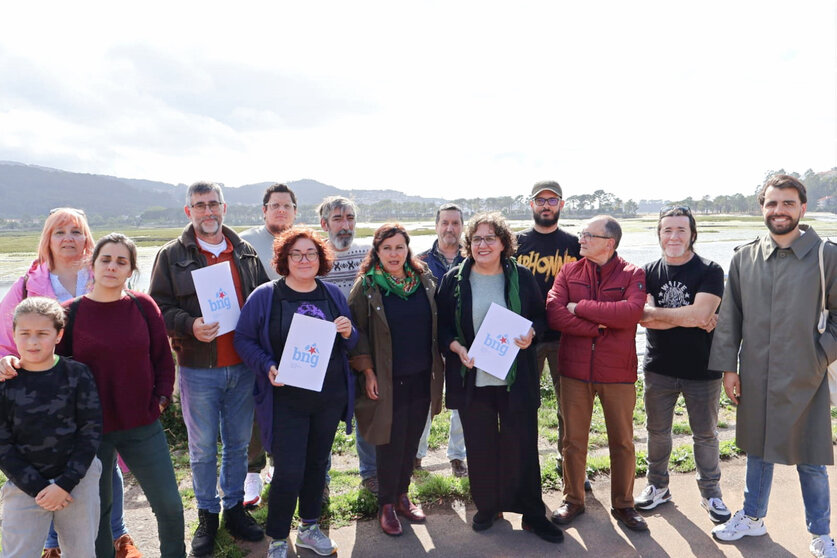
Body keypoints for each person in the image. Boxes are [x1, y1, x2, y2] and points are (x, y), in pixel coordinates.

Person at [708, 175, 837, 558]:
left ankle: (821, 532)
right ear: (762, 208)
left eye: (787, 203)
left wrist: (821, 353)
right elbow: (730, 317)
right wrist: (729, 369)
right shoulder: (744, 256)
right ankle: (752, 516)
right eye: (771, 203)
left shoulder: (826, 255)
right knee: (758, 450)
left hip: (806, 373)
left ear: (802, 208)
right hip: (756, 372)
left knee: (811, 457)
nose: (778, 211)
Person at [0, 208, 140, 558]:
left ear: (87, 239)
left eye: (76, 232)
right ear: (47, 239)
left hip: (96, 385)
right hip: (41, 389)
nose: (68, 238)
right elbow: (7, 337)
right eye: (59, 232)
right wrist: (5, 363)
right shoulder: (26, 285)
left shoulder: (103, 275)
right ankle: (52, 546)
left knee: (101, 461)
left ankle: (117, 535)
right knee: (47, 457)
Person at [149, 181, 268, 555]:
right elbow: (157, 309)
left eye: (213, 204)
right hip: (199, 369)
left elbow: (264, 300)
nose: (208, 211)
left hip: (243, 366)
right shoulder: (171, 255)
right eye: (199, 205)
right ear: (189, 212)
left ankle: (233, 508)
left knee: (236, 445)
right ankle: (207, 514)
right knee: (201, 448)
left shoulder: (245, 252)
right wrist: (190, 325)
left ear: (224, 207)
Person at [437, 212, 563, 544]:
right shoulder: (454, 280)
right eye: (476, 239)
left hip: (515, 379)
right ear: (468, 244)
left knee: (521, 446)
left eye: (490, 238)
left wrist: (531, 333)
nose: (483, 244)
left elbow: (541, 316)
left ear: (504, 243)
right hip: (472, 379)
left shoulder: (520, 276)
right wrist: (455, 346)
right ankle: (488, 507)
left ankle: (533, 514)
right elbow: (443, 327)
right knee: (480, 447)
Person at [234, 227, 358, 558]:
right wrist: (266, 366)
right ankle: (277, 538)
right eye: (297, 254)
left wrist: (349, 331)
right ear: (284, 259)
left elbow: (353, 343)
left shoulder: (332, 294)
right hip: (285, 398)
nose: (304, 260)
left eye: (311, 254)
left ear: (321, 258)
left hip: (328, 396)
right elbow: (243, 339)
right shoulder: (266, 295)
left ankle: (309, 528)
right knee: (289, 469)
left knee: (317, 464)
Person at [546, 215, 648, 532]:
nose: (581, 239)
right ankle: (573, 500)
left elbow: (631, 313)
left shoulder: (633, 273)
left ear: (609, 242)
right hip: (574, 370)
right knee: (572, 441)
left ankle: (624, 504)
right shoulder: (569, 270)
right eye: (582, 234)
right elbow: (554, 312)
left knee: (623, 442)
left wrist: (581, 307)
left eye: (588, 235)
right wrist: (599, 325)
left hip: (618, 372)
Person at [634, 206, 730, 523]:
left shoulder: (710, 269)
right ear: (659, 234)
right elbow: (643, 318)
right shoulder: (646, 271)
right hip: (658, 367)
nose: (673, 236)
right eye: (667, 230)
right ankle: (657, 487)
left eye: (680, 230)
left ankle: (711, 494)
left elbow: (700, 316)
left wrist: (670, 315)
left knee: (705, 435)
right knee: (657, 432)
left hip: (703, 370)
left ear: (692, 234)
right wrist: (690, 316)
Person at [348, 223, 445, 536]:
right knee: (389, 442)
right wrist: (367, 371)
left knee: (411, 439)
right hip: (387, 380)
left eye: (399, 247)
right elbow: (356, 333)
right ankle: (386, 505)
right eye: (387, 248)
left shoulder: (423, 281)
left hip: (421, 375)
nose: (394, 254)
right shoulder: (366, 286)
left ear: (408, 250)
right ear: (376, 251)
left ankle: (403, 496)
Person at [0, 297, 102, 557]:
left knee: (81, 552)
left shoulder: (78, 374)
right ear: (13, 334)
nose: (33, 342)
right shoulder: (5, 381)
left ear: (58, 335)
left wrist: (65, 483)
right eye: (25, 334)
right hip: (24, 485)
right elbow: (2, 443)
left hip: (77, 481)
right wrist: (38, 488)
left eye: (42, 334)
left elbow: (90, 431)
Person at [515, 181, 580, 485]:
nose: (545, 205)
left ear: (561, 205)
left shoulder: (574, 244)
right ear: (531, 205)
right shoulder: (516, 244)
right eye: (540, 200)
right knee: (523, 405)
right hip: (523, 337)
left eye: (551, 200)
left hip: (564, 337)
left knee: (569, 407)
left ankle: (568, 463)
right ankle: (524, 466)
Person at [240, 183, 298, 508]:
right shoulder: (246, 243)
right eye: (275, 205)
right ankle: (251, 471)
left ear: (294, 211)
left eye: (287, 206)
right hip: (258, 339)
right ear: (264, 210)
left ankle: (278, 463)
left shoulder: (302, 242)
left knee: (288, 403)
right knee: (256, 406)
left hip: (294, 338)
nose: (281, 210)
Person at [317, 195, 378, 494]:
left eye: (350, 218)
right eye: (338, 219)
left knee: (367, 411)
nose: (345, 225)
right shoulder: (313, 257)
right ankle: (321, 481)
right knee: (324, 418)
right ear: (324, 223)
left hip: (362, 348)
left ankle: (370, 475)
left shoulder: (368, 254)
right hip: (326, 354)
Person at [415, 203, 467, 478]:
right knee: (425, 399)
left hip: (462, 342)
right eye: (445, 222)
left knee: (460, 401)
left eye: (455, 223)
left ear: (462, 227)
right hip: (428, 342)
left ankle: (458, 455)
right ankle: (416, 454)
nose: (450, 228)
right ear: (436, 225)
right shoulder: (419, 261)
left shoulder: (473, 259)